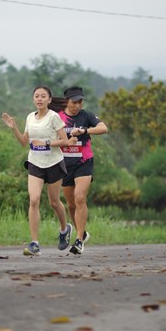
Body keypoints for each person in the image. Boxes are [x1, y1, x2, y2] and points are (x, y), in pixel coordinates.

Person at [1, 85, 78, 256]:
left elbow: (65, 141)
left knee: (54, 202)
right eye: (37, 96)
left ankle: (64, 229)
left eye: (43, 96)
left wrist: (46, 143)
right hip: (35, 162)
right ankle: (35, 243)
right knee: (34, 200)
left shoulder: (54, 117)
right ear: (33, 99)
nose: (39, 99)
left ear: (49, 100)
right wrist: (14, 128)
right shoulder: (30, 117)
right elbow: (24, 142)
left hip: (54, 163)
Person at [57, 86, 108, 255]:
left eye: (80, 102)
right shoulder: (58, 117)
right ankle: (82, 232)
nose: (77, 105)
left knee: (80, 197)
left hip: (84, 162)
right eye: (74, 102)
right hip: (65, 164)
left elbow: (103, 128)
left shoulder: (86, 116)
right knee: (71, 204)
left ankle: (79, 240)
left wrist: (85, 130)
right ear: (67, 102)